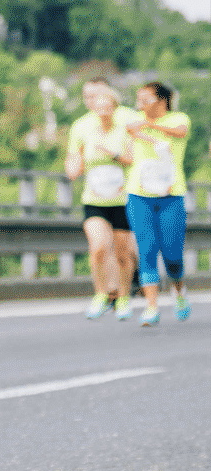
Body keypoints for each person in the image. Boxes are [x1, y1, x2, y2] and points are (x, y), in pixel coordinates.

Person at [65, 78, 138, 320]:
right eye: (89, 98)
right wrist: (73, 167)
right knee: (98, 247)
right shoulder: (81, 126)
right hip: (94, 199)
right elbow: (74, 156)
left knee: (122, 253)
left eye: (97, 97)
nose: (94, 103)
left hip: (123, 198)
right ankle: (101, 294)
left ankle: (124, 296)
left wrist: (113, 154)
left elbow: (135, 157)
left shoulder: (127, 120)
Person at [124, 81, 191, 325]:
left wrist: (150, 126)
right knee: (147, 249)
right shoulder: (134, 118)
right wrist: (140, 127)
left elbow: (181, 132)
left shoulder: (178, 118)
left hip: (171, 196)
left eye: (145, 100)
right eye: (138, 100)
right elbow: (131, 130)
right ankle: (151, 306)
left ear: (162, 100)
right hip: (139, 195)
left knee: (172, 254)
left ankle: (179, 290)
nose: (140, 105)